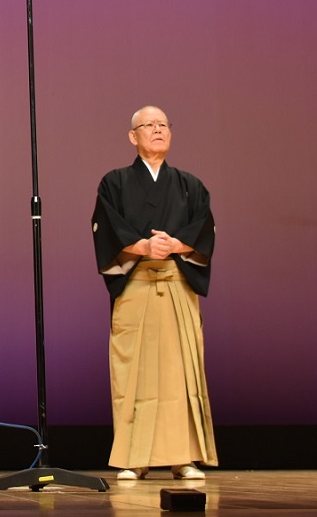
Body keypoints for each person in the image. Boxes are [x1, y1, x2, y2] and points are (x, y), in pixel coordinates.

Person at [90, 106, 217, 481]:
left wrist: (176, 244)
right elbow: (106, 228)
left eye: (164, 125)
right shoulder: (114, 183)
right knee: (133, 372)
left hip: (177, 281)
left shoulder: (190, 185)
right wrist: (143, 247)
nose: (158, 130)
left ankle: (184, 456)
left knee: (181, 370)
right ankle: (133, 457)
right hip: (137, 282)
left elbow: (205, 227)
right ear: (133, 136)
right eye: (149, 125)